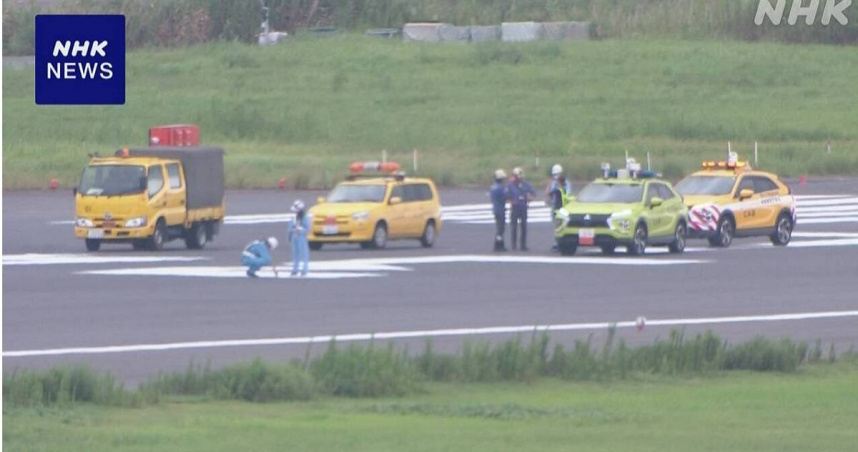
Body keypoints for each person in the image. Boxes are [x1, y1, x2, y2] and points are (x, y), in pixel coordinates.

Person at [506, 167, 536, 251]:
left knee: (524, 227)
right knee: (514, 227)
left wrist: (530, 198)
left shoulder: (526, 184)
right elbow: (507, 196)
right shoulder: (510, 185)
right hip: (515, 208)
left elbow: (533, 194)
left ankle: (523, 245)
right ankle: (514, 245)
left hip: (523, 208)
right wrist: (512, 201)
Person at [546, 164, 573, 251]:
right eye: (554, 175)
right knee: (556, 225)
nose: (555, 177)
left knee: (562, 225)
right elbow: (549, 194)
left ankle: (560, 242)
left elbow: (567, 194)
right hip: (555, 207)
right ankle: (556, 242)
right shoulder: (554, 183)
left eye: (557, 174)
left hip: (563, 208)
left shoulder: (566, 184)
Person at [288, 199, 311, 276]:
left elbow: (308, 228)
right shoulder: (294, 217)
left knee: (304, 253)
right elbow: (290, 227)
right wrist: (290, 235)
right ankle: (295, 269)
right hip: (295, 236)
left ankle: (305, 269)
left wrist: (301, 230)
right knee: (295, 253)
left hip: (301, 237)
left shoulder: (305, 217)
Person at [488, 169, 508, 251]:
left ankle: (499, 243)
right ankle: (499, 245)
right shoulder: (500, 188)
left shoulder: (492, 187)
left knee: (499, 227)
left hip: (495, 208)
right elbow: (504, 198)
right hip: (500, 209)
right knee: (501, 228)